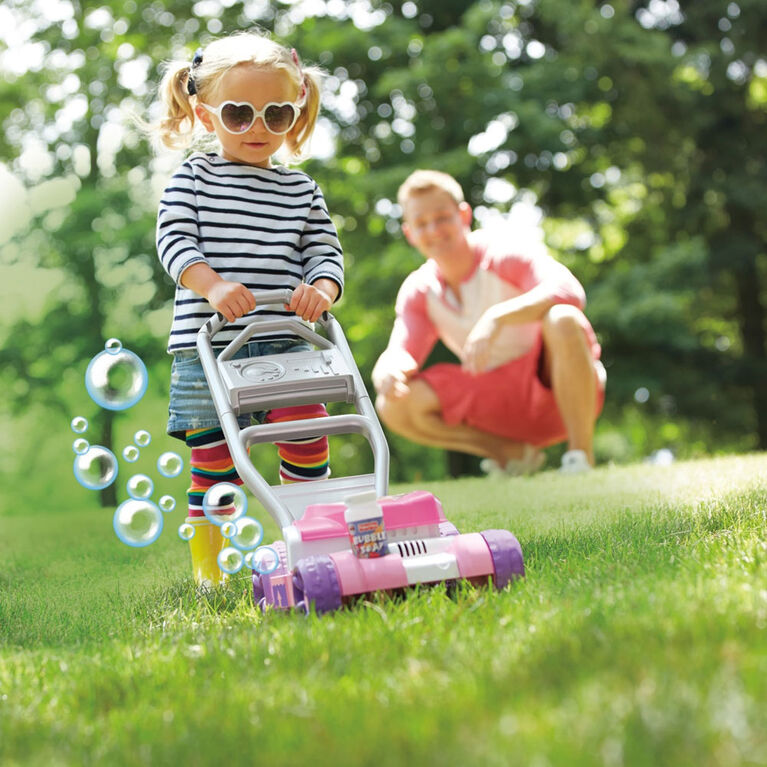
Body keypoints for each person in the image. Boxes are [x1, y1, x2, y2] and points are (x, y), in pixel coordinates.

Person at [151, 31, 344, 584]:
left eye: (275, 113)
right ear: (206, 115)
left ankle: (316, 545)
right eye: (239, 114)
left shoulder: (302, 190)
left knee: (307, 437)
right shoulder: (193, 177)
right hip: (208, 346)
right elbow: (174, 241)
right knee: (215, 461)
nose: (257, 127)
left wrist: (322, 290)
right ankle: (211, 572)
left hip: (287, 340)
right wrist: (210, 285)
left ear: (295, 112)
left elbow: (324, 253)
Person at [372, 170, 605, 475]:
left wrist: (497, 317)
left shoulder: (501, 253)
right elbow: (402, 350)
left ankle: (580, 459)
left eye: (442, 217)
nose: (433, 230)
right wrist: (386, 369)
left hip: (557, 393)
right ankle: (511, 456)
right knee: (391, 404)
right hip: (496, 405)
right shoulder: (419, 290)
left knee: (563, 317)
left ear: (463, 215)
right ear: (409, 233)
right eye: (421, 223)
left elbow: (569, 291)